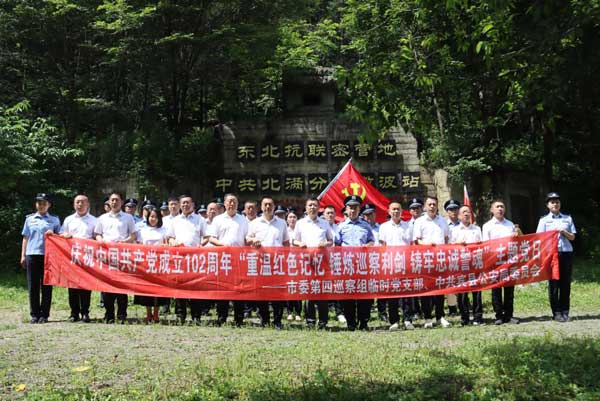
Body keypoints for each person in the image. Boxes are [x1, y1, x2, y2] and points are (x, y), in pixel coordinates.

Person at [246, 196, 290, 329]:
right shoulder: (254, 223)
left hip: (277, 262)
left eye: (270, 204)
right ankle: (264, 320)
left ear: (274, 207)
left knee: (278, 292)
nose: (268, 207)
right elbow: (247, 238)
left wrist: (286, 258)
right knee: (262, 291)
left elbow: (286, 242)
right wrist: (253, 240)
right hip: (260, 262)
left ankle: (277, 321)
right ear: (261, 207)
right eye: (265, 205)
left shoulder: (281, 223)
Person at [94, 192, 137, 323]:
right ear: (109, 202)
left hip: (122, 255)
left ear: (121, 202)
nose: (114, 202)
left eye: (117, 200)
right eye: (112, 200)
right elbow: (97, 234)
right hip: (107, 255)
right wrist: (101, 241)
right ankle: (109, 314)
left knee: (122, 285)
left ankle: (122, 314)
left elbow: (133, 235)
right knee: (107, 285)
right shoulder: (102, 218)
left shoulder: (128, 218)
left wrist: (124, 242)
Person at [335, 195, 375, 331]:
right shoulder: (340, 226)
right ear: (346, 209)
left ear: (359, 209)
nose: (353, 210)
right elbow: (337, 245)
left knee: (364, 294)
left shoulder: (365, 225)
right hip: (347, 266)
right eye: (350, 208)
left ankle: (363, 322)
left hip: (362, 265)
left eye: (355, 207)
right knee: (348, 294)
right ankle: (351, 323)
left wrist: (367, 246)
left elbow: (371, 241)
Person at [208, 193, 249, 326]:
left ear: (238, 204)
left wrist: (252, 241)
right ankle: (222, 317)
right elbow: (211, 238)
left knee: (239, 289)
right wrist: (223, 245)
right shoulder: (218, 219)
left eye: (234, 202)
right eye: (229, 201)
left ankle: (239, 319)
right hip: (223, 259)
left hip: (239, 259)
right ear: (224, 204)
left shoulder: (243, 220)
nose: (232, 204)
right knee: (222, 288)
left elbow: (246, 238)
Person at [293, 197, 334, 329]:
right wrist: (300, 244)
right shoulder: (300, 223)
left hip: (322, 262)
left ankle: (323, 321)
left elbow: (331, 240)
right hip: (306, 262)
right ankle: (310, 320)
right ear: (306, 208)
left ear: (319, 208)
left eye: (315, 205)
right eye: (310, 205)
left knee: (322, 291)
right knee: (309, 291)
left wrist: (325, 244)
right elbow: (294, 240)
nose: (312, 207)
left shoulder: (324, 223)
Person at [21, 193, 61, 324]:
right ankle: (34, 314)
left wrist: (53, 234)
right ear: (36, 204)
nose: (41, 205)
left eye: (44, 203)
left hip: (48, 256)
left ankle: (44, 314)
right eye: (39, 203)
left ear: (49, 205)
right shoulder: (29, 219)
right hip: (32, 254)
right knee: (33, 286)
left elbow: (60, 238)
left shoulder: (54, 220)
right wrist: (23, 255)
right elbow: (25, 237)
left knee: (46, 286)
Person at [536, 192, 576, 322]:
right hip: (551, 255)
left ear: (560, 204)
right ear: (548, 205)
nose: (555, 204)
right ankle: (556, 312)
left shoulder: (567, 218)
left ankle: (565, 311)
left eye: (557, 202)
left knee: (565, 283)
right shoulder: (544, 220)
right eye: (552, 202)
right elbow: (539, 238)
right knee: (554, 284)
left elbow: (573, 237)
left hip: (566, 253)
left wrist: (564, 232)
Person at [166, 194, 206, 324]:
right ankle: (180, 315)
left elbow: (206, 237)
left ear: (193, 205)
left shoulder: (200, 220)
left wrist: (200, 245)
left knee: (196, 287)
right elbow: (170, 237)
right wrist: (173, 242)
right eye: (183, 203)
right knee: (180, 287)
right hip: (180, 259)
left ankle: (196, 316)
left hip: (195, 259)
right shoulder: (175, 220)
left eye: (188, 203)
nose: (185, 205)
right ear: (179, 205)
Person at [413, 196, 451, 329]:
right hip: (425, 259)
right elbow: (416, 241)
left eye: (434, 204)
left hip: (440, 259)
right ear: (425, 206)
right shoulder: (419, 221)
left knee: (440, 289)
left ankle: (440, 316)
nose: (432, 206)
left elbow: (446, 238)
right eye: (429, 204)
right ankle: (428, 317)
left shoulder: (443, 221)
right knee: (426, 290)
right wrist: (428, 245)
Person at [60, 194, 97, 323]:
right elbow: (61, 234)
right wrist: (65, 235)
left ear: (88, 204)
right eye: (77, 202)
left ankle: (85, 312)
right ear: (74, 204)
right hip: (72, 257)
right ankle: (74, 313)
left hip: (87, 257)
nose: (80, 204)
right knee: (72, 286)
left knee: (86, 286)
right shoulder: (69, 219)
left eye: (82, 202)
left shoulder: (94, 220)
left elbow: (97, 237)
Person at [482, 199, 519, 325]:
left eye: (502, 206)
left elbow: (516, 242)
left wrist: (516, 235)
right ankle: (498, 315)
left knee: (509, 289)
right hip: (494, 260)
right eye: (497, 207)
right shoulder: (487, 226)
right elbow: (486, 244)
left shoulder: (510, 224)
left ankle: (509, 315)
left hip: (509, 260)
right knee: (496, 288)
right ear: (492, 210)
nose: (500, 209)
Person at [378, 201, 413, 330]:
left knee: (407, 293)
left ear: (402, 211)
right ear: (389, 211)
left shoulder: (408, 226)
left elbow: (411, 244)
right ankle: (394, 321)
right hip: (391, 264)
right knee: (392, 293)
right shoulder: (384, 227)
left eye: (398, 209)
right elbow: (382, 246)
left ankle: (408, 319)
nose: (396, 211)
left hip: (405, 263)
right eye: (393, 209)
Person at [450, 206, 484, 326]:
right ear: (459, 216)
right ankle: (465, 317)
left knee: (477, 291)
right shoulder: (454, 230)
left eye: (468, 212)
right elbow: (449, 247)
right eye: (463, 212)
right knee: (463, 292)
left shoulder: (477, 229)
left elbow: (483, 245)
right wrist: (457, 244)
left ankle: (478, 317)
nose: (466, 214)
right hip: (461, 264)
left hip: (475, 263)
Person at [134, 206, 170, 323]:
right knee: (147, 290)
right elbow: (139, 245)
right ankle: (148, 313)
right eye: (151, 216)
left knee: (159, 290)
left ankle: (156, 314)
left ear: (159, 218)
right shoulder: (142, 231)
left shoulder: (164, 230)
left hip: (160, 264)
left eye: (155, 217)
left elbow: (167, 245)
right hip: (146, 264)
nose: (153, 219)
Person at [362, 204, 386, 322]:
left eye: (371, 214)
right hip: (365, 261)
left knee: (381, 286)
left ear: (375, 214)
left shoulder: (381, 228)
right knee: (368, 286)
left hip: (379, 260)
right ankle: (368, 311)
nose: (369, 217)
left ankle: (382, 311)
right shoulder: (361, 228)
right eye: (366, 215)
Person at [322, 204, 346, 324]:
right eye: (328, 213)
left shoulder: (339, 227)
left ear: (335, 215)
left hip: (337, 260)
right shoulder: (320, 226)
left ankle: (339, 312)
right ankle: (324, 313)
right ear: (324, 214)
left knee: (338, 286)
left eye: (332, 213)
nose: (330, 215)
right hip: (323, 260)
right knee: (324, 287)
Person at [407, 198, 424, 320]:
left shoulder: (426, 222)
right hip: (411, 257)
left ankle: (427, 309)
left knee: (425, 284)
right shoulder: (406, 225)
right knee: (413, 285)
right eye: (413, 208)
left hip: (425, 257)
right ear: (410, 211)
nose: (416, 210)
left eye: (418, 207)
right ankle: (415, 310)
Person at [444, 199, 461, 317]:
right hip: (449, 256)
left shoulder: (464, 224)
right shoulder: (443, 224)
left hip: (462, 256)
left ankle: (463, 304)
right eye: (450, 209)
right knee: (450, 282)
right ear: (447, 211)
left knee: (462, 281)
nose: (453, 211)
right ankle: (452, 307)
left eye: (455, 209)